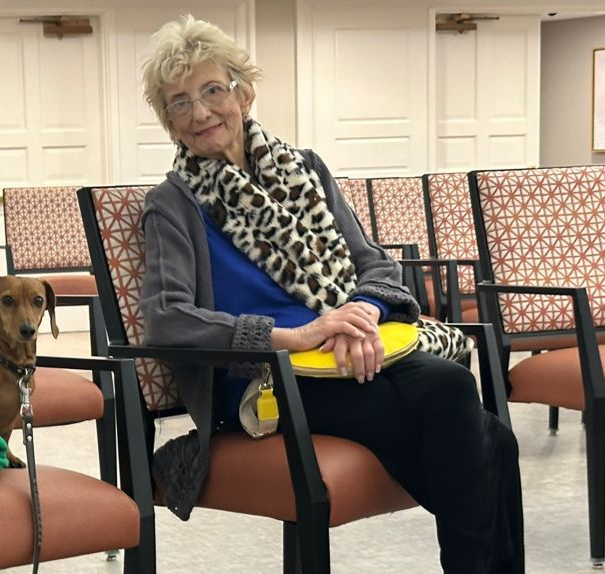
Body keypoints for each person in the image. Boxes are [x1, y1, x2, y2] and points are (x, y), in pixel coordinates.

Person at [139, 14, 524, 574]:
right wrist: (296, 334)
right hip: (263, 377)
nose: (199, 112)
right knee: (480, 434)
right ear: (170, 125)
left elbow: (375, 265)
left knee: (454, 388)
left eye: (212, 90)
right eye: (179, 102)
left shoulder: (306, 169)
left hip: (352, 346)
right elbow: (166, 320)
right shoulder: (171, 205)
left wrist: (362, 313)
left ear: (243, 94)